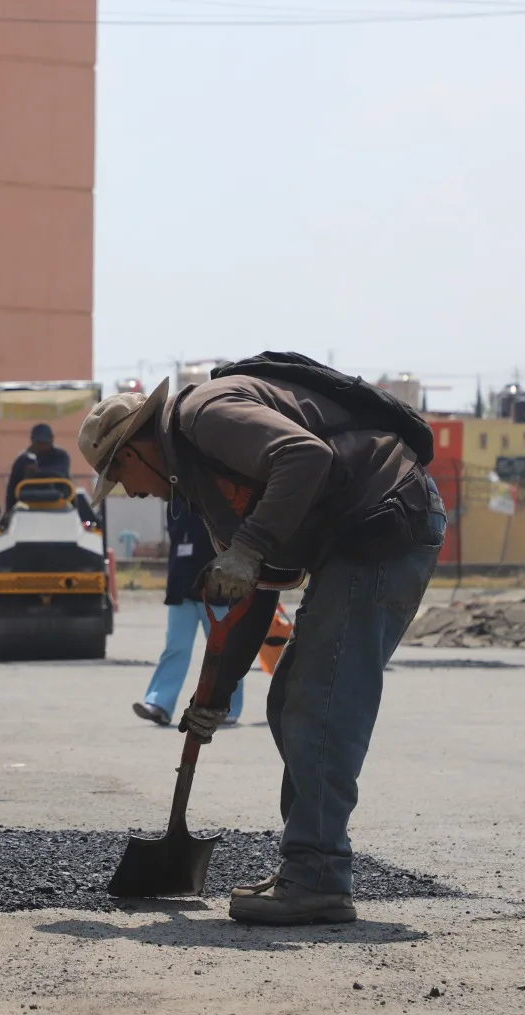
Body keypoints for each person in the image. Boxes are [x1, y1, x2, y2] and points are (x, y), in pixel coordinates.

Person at [79, 361, 445, 926]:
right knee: (290, 698)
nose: (132, 492)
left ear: (131, 451)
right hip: (357, 538)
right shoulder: (204, 487)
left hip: (386, 522)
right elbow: (258, 595)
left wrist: (247, 548)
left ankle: (318, 875)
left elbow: (306, 456)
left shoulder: (205, 416)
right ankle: (308, 865)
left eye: (121, 478)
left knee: (319, 699)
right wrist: (215, 696)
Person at [133, 501, 244, 728]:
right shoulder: (175, 498)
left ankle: (226, 707)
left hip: (218, 589)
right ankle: (159, 705)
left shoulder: (217, 492)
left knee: (223, 653)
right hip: (182, 586)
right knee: (175, 649)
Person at [3, 424, 71, 517]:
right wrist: (8, 510)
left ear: (51, 440)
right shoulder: (23, 459)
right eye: (39, 443)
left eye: (45, 443)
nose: (42, 446)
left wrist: (38, 471)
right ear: (32, 441)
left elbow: (61, 472)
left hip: (57, 499)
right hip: (28, 502)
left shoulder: (60, 456)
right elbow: (12, 485)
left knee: (72, 508)